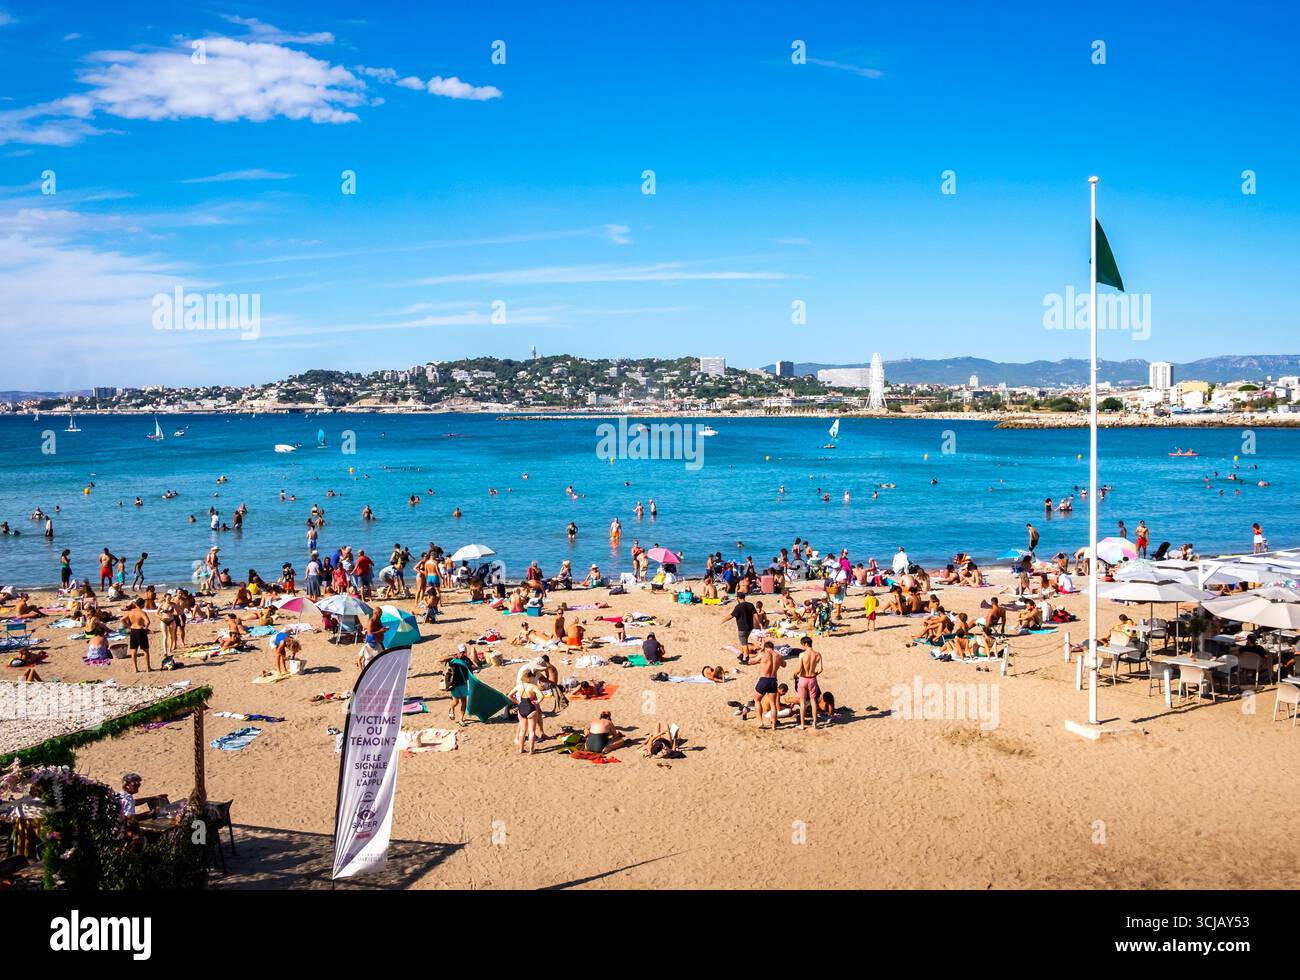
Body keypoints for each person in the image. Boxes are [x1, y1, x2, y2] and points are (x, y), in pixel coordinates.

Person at [792, 636, 823, 730]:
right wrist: (815, 674)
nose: (802, 647)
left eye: (802, 645)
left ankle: (802, 724)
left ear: (805, 644)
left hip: (803, 679)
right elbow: (821, 669)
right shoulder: (817, 654)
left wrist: (794, 674)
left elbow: (800, 669)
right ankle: (815, 723)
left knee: (802, 701)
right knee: (813, 701)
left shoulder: (802, 654)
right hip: (812, 678)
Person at [509, 669, 543, 754]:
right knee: (531, 731)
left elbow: (509, 695)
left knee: (522, 730)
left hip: (521, 708)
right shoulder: (532, 687)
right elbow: (541, 696)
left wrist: (517, 702)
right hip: (531, 707)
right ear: (530, 678)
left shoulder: (519, 686)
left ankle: (521, 749)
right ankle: (531, 750)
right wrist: (537, 702)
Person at [723, 593, 758, 662]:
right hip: (750, 627)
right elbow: (755, 615)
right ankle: (742, 655)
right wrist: (759, 623)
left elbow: (731, 616)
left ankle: (746, 659)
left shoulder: (738, 607)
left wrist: (723, 620)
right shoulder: (750, 605)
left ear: (738, 598)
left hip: (742, 628)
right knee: (744, 642)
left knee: (744, 644)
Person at [121, 598, 152, 672]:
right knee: (145, 650)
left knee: (134, 650)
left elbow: (122, 619)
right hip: (140, 630)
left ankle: (135, 669)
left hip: (133, 630)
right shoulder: (142, 612)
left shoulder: (131, 611)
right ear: (142, 604)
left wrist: (129, 626)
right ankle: (148, 668)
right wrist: (146, 629)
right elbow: (148, 622)